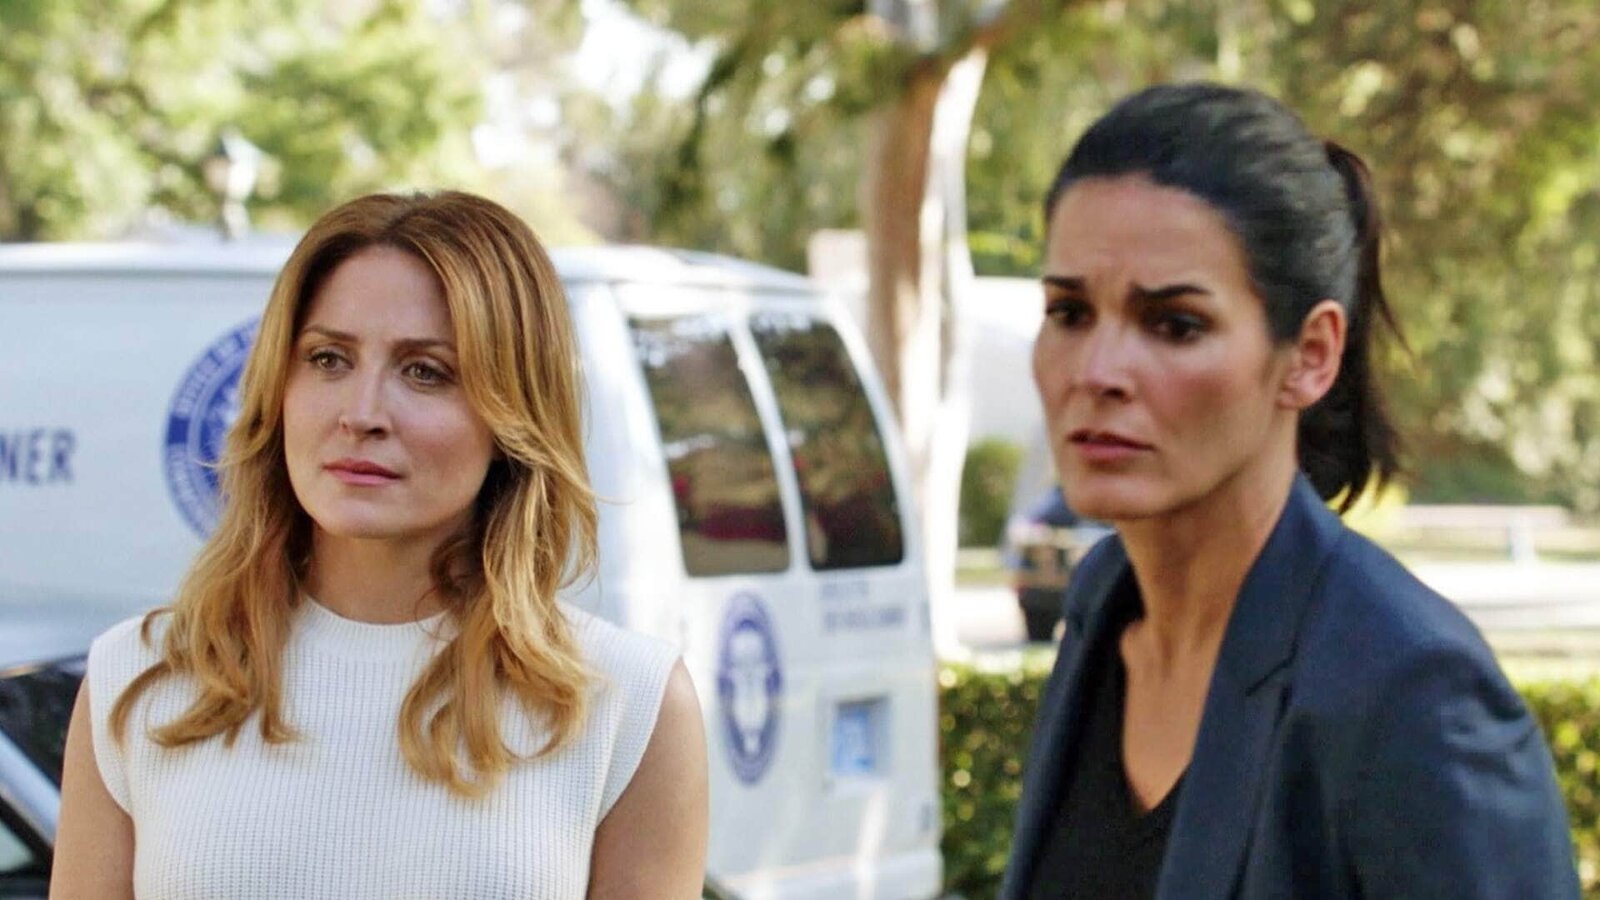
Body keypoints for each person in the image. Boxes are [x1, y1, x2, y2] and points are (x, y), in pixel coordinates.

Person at [1002, 83, 1577, 898]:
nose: (1096, 373)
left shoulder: (1413, 690)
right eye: (1069, 312)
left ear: (1310, 355)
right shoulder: (1103, 603)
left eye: (1174, 325)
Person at [51, 191, 709, 899]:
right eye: (328, 358)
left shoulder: (629, 706)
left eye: (426, 371)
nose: (361, 414)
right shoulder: (137, 680)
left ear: (512, 416)